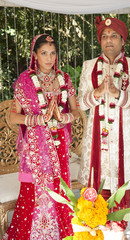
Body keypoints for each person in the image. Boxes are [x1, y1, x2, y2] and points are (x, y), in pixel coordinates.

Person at [2, 34, 79, 240]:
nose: (49, 58)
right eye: (44, 53)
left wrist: (62, 117)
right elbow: (12, 115)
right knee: (33, 187)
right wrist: (38, 120)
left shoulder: (64, 78)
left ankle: (60, 232)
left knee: (59, 185)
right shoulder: (25, 80)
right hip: (35, 145)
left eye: (53, 53)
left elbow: (77, 111)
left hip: (58, 141)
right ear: (35, 55)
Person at [78, 16, 130, 234]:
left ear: (123, 40)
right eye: (104, 36)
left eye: (114, 36)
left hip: (124, 139)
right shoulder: (89, 66)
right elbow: (81, 102)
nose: (109, 40)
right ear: (100, 40)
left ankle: (118, 226)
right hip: (97, 138)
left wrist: (118, 94)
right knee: (97, 181)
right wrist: (98, 92)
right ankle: (96, 222)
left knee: (121, 182)